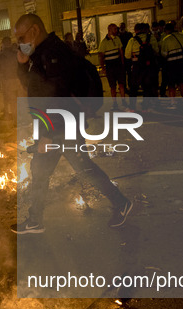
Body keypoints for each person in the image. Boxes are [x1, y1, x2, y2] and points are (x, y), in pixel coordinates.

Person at [11, 13, 133, 234]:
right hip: (55, 126)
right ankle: (35, 220)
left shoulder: (53, 54)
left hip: (61, 126)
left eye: (21, 37)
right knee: (40, 170)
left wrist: (46, 134)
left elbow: (55, 97)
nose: (19, 43)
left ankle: (121, 203)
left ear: (35, 30)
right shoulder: (41, 53)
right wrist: (23, 64)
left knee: (83, 168)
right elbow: (32, 86)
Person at [125, 23, 159, 111]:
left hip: (137, 66)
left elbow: (127, 55)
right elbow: (156, 51)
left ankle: (132, 107)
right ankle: (145, 106)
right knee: (147, 86)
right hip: (149, 65)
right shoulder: (151, 38)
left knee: (134, 87)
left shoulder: (132, 40)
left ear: (136, 30)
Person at [160, 22, 183, 108]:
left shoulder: (166, 39)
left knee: (171, 83)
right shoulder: (182, 36)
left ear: (166, 30)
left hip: (171, 64)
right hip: (182, 63)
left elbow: (164, 54)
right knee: (181, 82)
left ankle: (173, 102)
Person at [98, 23, 126, 106]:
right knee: (112, 86)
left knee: (121, 84)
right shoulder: (104, 42)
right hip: (110, 66)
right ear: (109, 30)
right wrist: (103, 68)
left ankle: (123, 101)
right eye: (114, 29)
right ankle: (115, 103)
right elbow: (101, 56)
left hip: (118, 65)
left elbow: (121, 52)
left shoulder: (117, 39)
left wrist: (122, 63)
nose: (116, 31)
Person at [0, 36, 23, 124]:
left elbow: (1, 69)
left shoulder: (1, 55)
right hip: (17, 79)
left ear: (3, 44)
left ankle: (16, 121)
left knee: (13, 101)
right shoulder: (16, 52)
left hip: (8, 80)